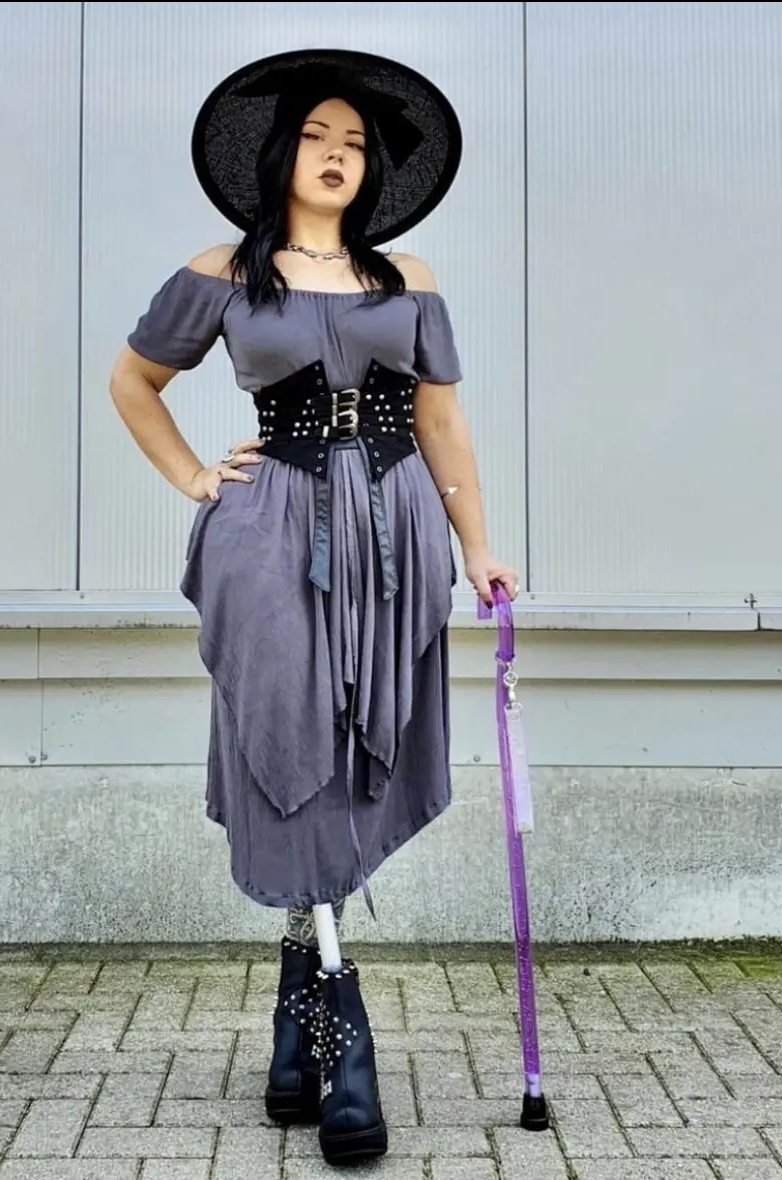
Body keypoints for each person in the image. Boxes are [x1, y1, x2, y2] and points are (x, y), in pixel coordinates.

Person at [109, 49, 518, 1168]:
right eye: (318, 136)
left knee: (348, 761)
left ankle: (292, 1019)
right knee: (289, 749)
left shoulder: (408, 278)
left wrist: (479, 546)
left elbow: (442, 425)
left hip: (393, 534)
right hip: (271, 531)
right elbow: (132, 381)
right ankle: (346, 1041)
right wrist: (196, 477)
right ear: (279, 153)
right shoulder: (221, 273)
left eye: (355, 143)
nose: (337, 155)